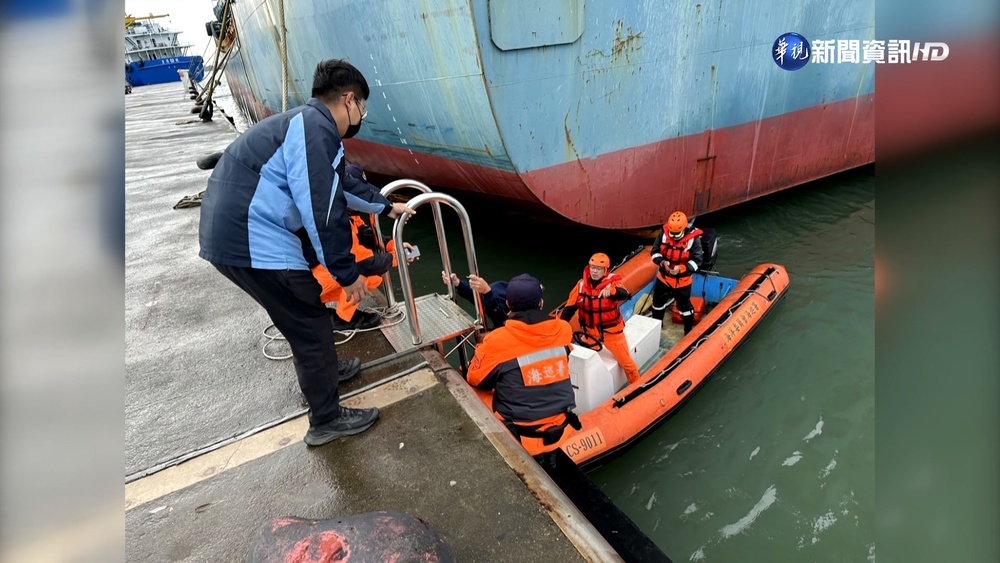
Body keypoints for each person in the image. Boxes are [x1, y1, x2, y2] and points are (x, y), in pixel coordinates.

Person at [199, 59, 413, 447]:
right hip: (252, 236)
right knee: (309, 319)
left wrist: (385, 206)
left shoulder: (304, 124)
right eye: (362, 105)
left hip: (234, 233)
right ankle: (326, 419)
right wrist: (347, 275)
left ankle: (326, 374)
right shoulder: (317, 129)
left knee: (301, 314)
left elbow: (340, 183)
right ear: (348, 99)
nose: (361, 114)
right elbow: (322, 208)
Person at [466, 274, 579, 464]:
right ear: (541, 303)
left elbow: (474, 379)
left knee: (472, 390)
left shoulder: (497, 340)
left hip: (523, 436)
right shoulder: (563, 329)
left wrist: (482, 348)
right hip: (562, 425)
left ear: (508, 305)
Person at [307, 163, 415, 331]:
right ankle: (343, 319)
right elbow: (362, 263)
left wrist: (394, 245)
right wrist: (398, 257)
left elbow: (366, 234)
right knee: (364, 273)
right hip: (303, 285)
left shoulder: (344, 213)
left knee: (369, 273)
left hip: (306, 282)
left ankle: (317, 311)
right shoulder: (336, 221)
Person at [558, 253, 641, 385]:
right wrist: (560, 327)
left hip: (612, 333)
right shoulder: (580, 285)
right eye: (592, 267)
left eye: (598, 268)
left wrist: (612, 291)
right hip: (589, 333)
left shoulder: (613, 283)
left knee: (627, 364)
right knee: (581, 363)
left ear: (605, 270)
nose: (595, 271)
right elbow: (569, 308)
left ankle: (636, 384)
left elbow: (625, 294)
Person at [649, 211, 704, 335]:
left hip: (682, 282)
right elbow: (654, 252)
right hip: (663, 278)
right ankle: (657, 328)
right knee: (657, 304)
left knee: (685, 308)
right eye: (671, 234)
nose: (673, 237)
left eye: (676, 234)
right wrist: (662, 262)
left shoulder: (693, 240)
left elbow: (697, 261)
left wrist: (681, 268)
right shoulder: (663, 234)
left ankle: (688, 331)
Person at [441, 271, 509, 329]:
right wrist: (457, 283)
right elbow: (476, 297)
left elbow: (501, 321)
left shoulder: (515, 314)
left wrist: (487, 292)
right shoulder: (503, 286)